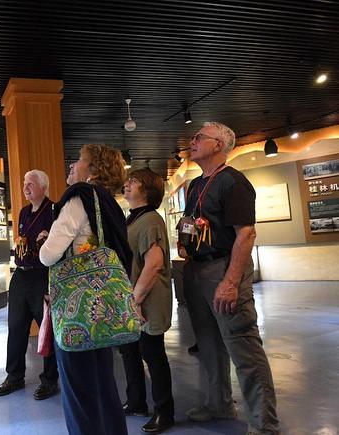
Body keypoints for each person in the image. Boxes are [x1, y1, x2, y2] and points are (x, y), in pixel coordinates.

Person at [179, 122, 279, 434]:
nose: (192, 141)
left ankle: (265, 423)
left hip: (223, 269)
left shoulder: (233, 182)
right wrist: (184, 240)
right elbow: (190, 220)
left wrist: (231, 281)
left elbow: (245, 234)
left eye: (199, 137)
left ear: (218, 146)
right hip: (196, 269)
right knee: (208, 344)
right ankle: (218, 403)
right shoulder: (196, 185)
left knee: (243, 346)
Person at [40, 144, 133, 435]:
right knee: (104, 384)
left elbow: (48, 254)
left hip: (77, 308)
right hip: (102, 305)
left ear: (93, 170)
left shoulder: (79, 198)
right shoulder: (110, 203)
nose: (71, 165)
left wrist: (46, 241)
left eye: (79, 161)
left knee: (79, 389)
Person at [0, 169, 59, 400]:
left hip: (42, 276)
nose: (26, 187)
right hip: (21, 276)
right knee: (16, 328)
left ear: (43, 187)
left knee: (46, 330)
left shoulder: (53, 210)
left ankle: (50, 380)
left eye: (31, 183)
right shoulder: (22, 213)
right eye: (24, 183)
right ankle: (14, 377)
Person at [119, 168, 175, 434]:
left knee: (153, 355)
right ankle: (136, 401)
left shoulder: (150, 220)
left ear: (148, 190)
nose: (127, 185)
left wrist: (135, 300)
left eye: (134, 182)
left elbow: (153, 265)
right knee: (130, 352)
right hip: (135, 299)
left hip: (147, 300)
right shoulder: (134, 219)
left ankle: (165, 412)